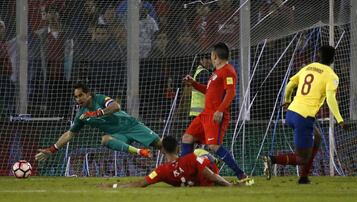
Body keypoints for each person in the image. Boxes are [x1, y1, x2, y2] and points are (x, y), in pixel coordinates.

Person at [263, 45, 348, 184]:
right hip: (303, 118)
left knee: (318, 138)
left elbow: (290, 84)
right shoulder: (331, 76)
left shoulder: (308, 67)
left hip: (291, 113)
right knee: (302, 158)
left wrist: (287, 100)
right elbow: (331, 99)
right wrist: (340, 120)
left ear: (318, 56)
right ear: (333, 59)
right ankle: (271, 159)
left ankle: (304, 177)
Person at [181, 42, 252, 184]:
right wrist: (194, 84)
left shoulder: (228, 70)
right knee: (187, 138)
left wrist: (220, 110)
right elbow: (209, 92)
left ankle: (241, 175)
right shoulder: (215, 73)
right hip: (205, 114)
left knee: (213, 146)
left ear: (215, 56)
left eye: (211, 55)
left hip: (215, 115)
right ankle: (186, 173)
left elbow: (231, 93)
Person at [35, 82, 162, 161]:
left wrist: (97, 113)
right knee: (105, 140)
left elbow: (116, 106)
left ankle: (179, 166)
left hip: (131, 126)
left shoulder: (100, 98)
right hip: (118, 135)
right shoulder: (81, 116)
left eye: (80, 95)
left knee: (161, 145)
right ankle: (140, 152)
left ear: (88, 94)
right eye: (76, 97)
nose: (78, 99)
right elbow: (69, 134)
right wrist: (52, 149)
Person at [106, 136, 234, 188]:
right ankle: (214, 162)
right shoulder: (190, 158)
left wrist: (114, 186)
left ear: (162, 151)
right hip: (209, 177)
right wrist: (230, 186)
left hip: (193, 182)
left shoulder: (160, 171)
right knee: (200, 153)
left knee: (199, 155)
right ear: (177, 148)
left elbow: (140, 183)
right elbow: (212, 176)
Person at [189, 54, 212, 118]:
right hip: (201, 112)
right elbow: (208, 90)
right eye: (206, 59)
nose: (209, 61)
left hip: (196, 111)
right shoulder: (203, 73)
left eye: (209, 59)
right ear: (201, 60)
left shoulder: (198, 71)